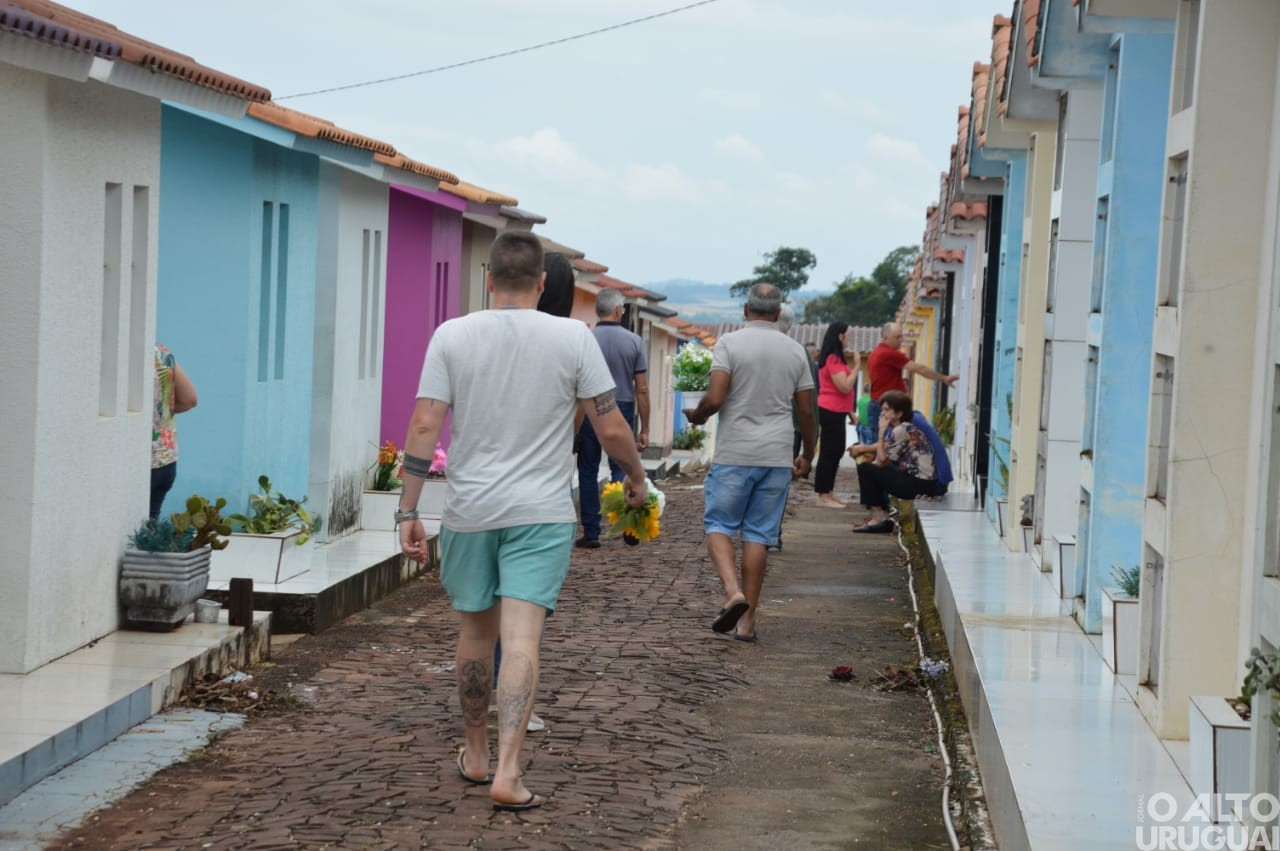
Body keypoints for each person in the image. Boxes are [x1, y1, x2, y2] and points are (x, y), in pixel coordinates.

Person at [397, 231, 647, 812]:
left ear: (488, 279)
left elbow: (424, 425)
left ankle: (477, 754)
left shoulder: (451, 335)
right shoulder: (573, 338)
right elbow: (610, 427)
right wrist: (634, 478)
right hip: (540, 512)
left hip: (470, 511)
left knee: (475, 635)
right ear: (541, 283)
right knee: (523, 638)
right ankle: (510, 771)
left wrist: (409, 509)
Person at [684, 283, 815, 642]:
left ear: (745, 310)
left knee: (719, 524)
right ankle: (747, 623)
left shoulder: (729, 343)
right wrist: (808, 453)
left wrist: (697, 417)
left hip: (735, 453)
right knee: (759, 535)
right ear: (777, 313)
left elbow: (715, 397)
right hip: (776, 456)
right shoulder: (794, 351)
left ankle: (732, 593)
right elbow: (805, 409)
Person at [575, 287, 649, 548]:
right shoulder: (634, 342)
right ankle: (627, 522)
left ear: (598, 310)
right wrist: (645, 428)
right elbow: (641, 388)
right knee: (622, 466)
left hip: (588, 406)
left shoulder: (586, 338)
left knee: (587, 469)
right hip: (624, 407)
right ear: (619, 310)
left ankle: (592, 532)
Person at [850, 390, 937, 533]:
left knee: (866, 468)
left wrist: (881, 432)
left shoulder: (901, 430)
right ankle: (881, 516)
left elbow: (882, 460)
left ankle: (879, 519)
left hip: (920, 485)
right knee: (871, 467)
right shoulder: (905, 428)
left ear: (898, 414)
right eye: (882, 410)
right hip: (923, 483)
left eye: (886, 410)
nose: (882, 414)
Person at [866, 321, 958, 429]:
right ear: (886, 338)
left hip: (877, 404)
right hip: (888, 407)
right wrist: (943, 378)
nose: (902, 340)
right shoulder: (888, 353)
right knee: (890, 443)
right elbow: (919, 369)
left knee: (879, 443)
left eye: (901, 336)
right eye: (898, 337)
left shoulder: (874, 353)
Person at [813, 322, 859, 509]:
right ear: (840, 336)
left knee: (837, 449)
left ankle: (829, 491)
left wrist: (850, 411)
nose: (849, 338)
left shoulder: (837, 359)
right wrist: (857, 366)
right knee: (829, 452)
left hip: (838, 410)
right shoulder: (832, 359)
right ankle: (822, 494)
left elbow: (842, 390)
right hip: (829, 409)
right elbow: (844, 386)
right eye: (848, 335)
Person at [151, 343, 197, 519]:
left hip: (141, 460)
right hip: (166, 459)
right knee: (149, 525)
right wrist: (160, 413)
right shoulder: (161, 353)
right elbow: (189, 399)